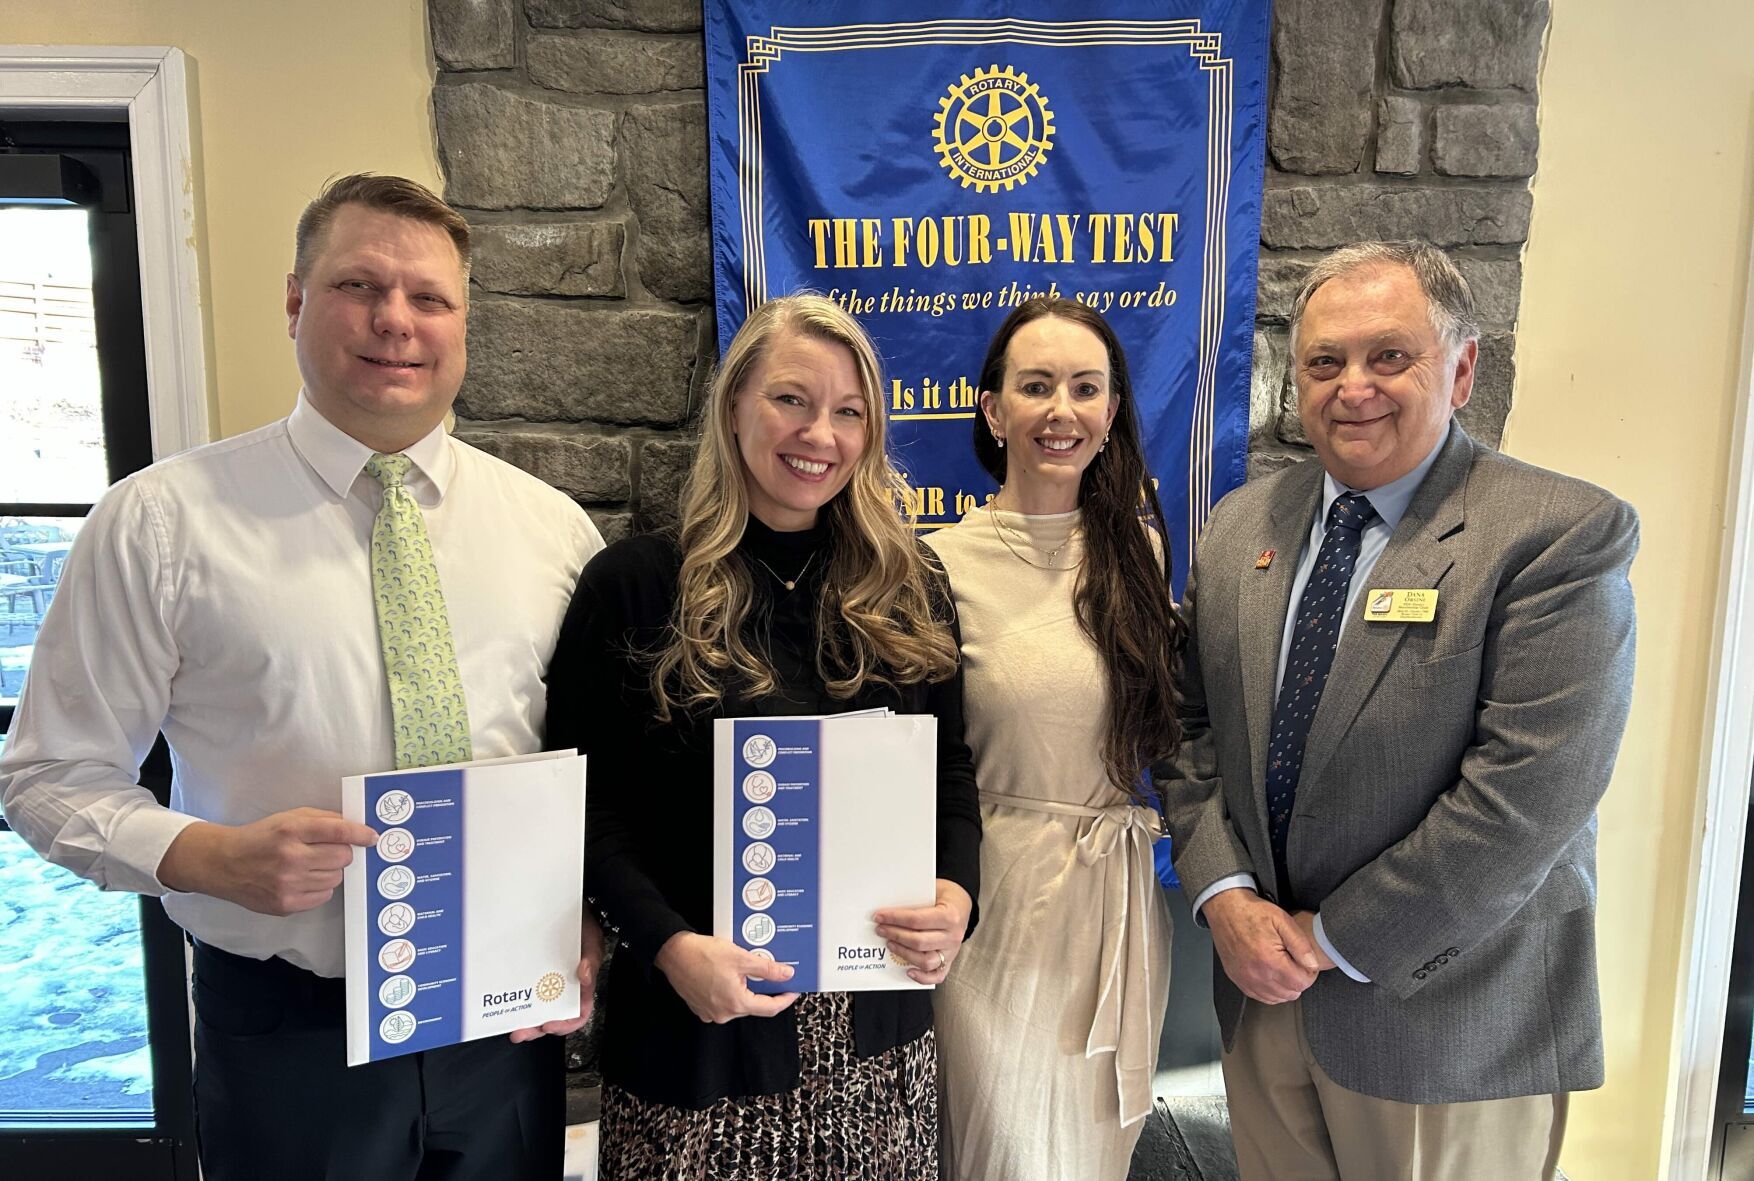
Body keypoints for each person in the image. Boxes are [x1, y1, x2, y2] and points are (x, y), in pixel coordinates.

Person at [0, 173, 605, 1179]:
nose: (395, 320)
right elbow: (45, 776)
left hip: (502, 1024)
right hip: (286, 1031)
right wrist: (205, 854)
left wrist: (586, 915)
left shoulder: (552, 531)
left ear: (463, 322)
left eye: (429, 298)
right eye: (358, 285)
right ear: (293, 301)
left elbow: (580, 762)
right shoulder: (161, 523)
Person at [1164, 240, 1637, 1180]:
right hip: (1264, 1001)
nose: (1354, 388)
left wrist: (1330, 938)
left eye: (1390, 355)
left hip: (1446, 1020)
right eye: (1325, 362)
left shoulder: (1559, 535)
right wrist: (1223, 899)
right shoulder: (1240, 527)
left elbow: (1524, 801)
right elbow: (1188, 727)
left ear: (1461, 370)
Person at [545, 294, 981, 1180]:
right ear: (735, 402)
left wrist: (959, 897)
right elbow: (585, 808)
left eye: (849, 411)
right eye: (792, 398)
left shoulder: (908, 579)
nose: (819, 432)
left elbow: (951, 771)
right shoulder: (634, 583)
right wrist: (669, 946)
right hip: (698, 1041)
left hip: (876, 1047)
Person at [925, 297, 1184, 1179]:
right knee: (999, 1153)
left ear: (1111, 412)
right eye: (1035, 386)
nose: (1060, 411)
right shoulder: (938, 563)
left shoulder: (1141, 557)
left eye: (1084, 387)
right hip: (991, 908)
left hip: (1113, 910)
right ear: (994, 410)